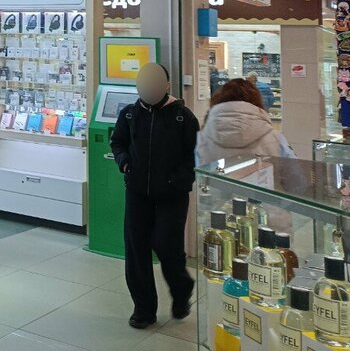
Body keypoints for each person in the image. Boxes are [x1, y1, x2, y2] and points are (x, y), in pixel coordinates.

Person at [111, 63, 199, 329]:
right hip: (137, 193)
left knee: (166, 246)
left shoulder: (183, 117)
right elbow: (118, 142)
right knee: (136, 249)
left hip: (172, 196)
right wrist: (125, 162)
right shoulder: (129, 114)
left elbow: (196, 155)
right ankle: (143, 309)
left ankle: (181, 289)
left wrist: (179, 179)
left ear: (166, 85)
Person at [196, 78, 295, 166]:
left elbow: (200, 174)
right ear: (257, 101)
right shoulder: (275, 138)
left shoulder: (203, 137)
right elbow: (295, 174)